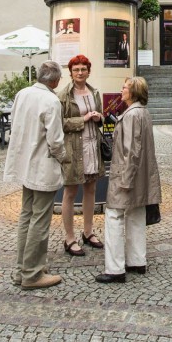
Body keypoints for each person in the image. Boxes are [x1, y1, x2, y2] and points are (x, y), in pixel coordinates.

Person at [3, 61, 68, 290]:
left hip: (25, 163)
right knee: (40, 219)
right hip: (42, 165)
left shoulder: (22, 94)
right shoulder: (51, 100)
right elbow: (56, 140)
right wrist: (63, 157)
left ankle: (23, 268)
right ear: (55, 80)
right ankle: (32, 273)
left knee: (26, 215)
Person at [96, 76, 161, 283]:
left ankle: (115, 269)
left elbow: (132, 150)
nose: (121, 90)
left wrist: (125, 179)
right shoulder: (143, 112)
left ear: (133, 92)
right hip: (141, 174)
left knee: (114, 216)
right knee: (136, 213)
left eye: (124, 87)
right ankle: (137, 260)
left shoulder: (132, 115)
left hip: (127, 173)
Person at [58, 55, 105, 257]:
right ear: (71, 72)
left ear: (88, 71)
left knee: (91, 188)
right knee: (70, 192)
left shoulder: (94, 92)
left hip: (93, 145)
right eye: (76, 69)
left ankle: (87, 231)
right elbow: (61, 123)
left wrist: (99, 117)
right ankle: (69, 238)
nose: (79, 73)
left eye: (83, 69)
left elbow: (101, 117)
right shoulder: (64, 95)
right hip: (74, 147)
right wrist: (84, 119)